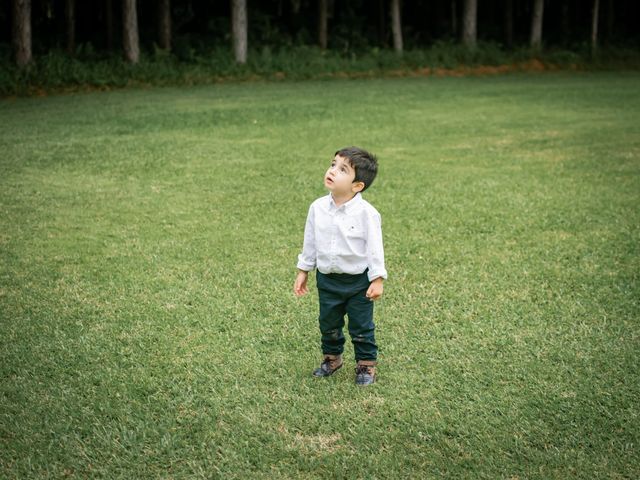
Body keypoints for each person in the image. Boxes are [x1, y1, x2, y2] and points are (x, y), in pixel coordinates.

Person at [294, 146, 387, 386]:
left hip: (358, 283)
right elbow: (310, 241)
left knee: (361, 326)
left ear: (358, 186)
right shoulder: (317, 208)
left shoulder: (367, 214)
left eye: (343, 169)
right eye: (333, 164)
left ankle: (366, 365)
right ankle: (332, 359)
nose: (333, 170)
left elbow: (374, 248)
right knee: (328, 323)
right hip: (327, 280)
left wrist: (377, 279)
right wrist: (304, 270)